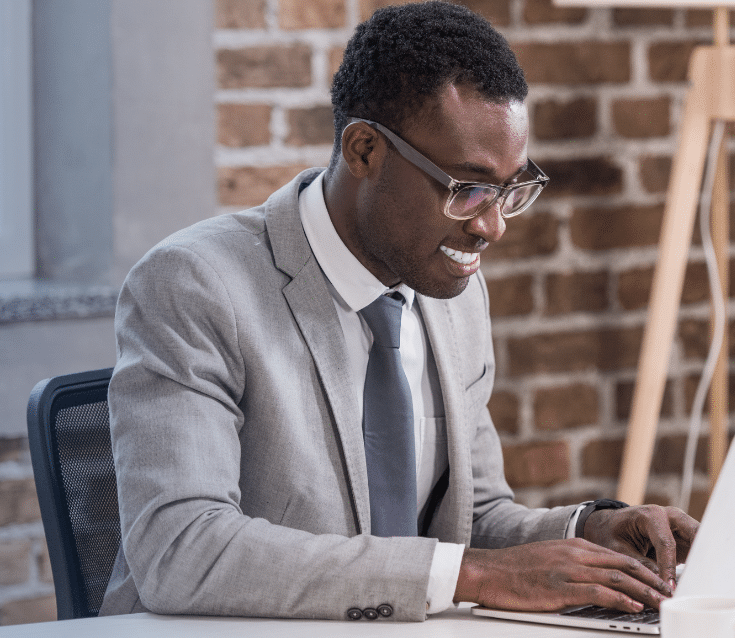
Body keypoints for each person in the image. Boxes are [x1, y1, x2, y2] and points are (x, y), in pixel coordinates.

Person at [100, 1, 697, 623]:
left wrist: (589, 531)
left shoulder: (453, 292)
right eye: (465, 189)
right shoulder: (195, 285)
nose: (491, 227)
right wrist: (475, 575)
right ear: (364, 151)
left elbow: (474, 518)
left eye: (509, 189)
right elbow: (182, 549)